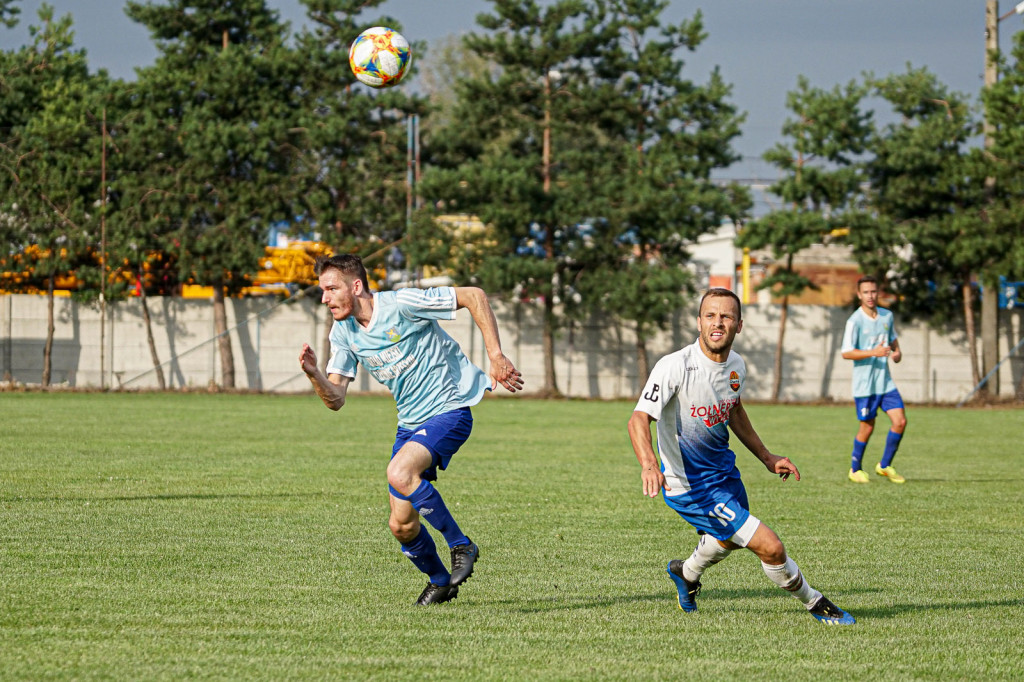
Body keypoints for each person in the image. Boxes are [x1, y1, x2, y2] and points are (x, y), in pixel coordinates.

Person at [299, 254, 523, 605]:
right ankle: (440, 582)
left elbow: (474, 296)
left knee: (399, 471)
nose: (324, 298)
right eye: (322, 291)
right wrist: (314, 375)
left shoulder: (401, 303)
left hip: (450, 409)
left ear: (356, 286)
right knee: (401, 525)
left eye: (330, 289)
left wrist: (495, 355)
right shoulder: (343, 332)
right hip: (410, 424)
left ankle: (461, 545)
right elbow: (336, 398)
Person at [627, 288, 855, 625]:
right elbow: (638, 418)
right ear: (699, 322)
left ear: (739, 325)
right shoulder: (674, 366)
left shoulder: (736, 366)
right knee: (771, 547)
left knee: (727, 540)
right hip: (691, 487)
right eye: (710, 315)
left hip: (725, 475)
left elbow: (733, 409)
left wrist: (766, 456)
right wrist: (649, 465)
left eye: (726, 316)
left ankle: (686, 573)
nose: (717, 323)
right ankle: (815, 603)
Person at [840, 275, 907, 484]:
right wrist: (873, 352)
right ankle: (855, 468)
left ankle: (885, 465)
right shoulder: (855, 321)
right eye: (866, 292)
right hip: (865, 386)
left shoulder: (887, 316)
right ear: (859, 295)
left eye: (874, 291)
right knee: (867, 427)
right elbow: (846, 353)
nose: (870, 296)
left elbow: (894, 344)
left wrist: (896, 354)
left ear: (879, 293)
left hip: (885, 383)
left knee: (900, 421)